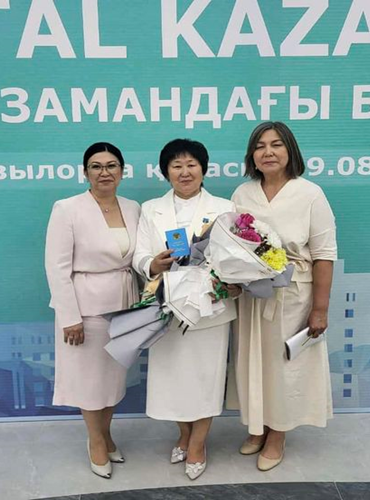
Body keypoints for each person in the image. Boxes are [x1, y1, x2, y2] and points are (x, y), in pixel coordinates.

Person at [231, 121, 337, 471]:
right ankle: (258, 426)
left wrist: (319, 309)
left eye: (276, 144)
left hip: (293, 295)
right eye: (260, 146)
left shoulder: (310, 194)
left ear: (290, 150)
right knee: (255, 363)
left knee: (284, 367)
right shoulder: (242, 194)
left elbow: (324, 255)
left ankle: (278, 433)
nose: (268, 152)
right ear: (252, 155)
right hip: (252, 295)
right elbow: (230, 244)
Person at [133, 139, 239, 480]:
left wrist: (231, 279)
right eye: (176, 165)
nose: (184, 172)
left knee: (205, 379)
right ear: (166, 172)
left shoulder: (224, 207)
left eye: (191, 164)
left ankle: (197, 444)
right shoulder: (151, 208)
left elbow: (236, 256)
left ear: (203, 169)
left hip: (210, 309)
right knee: (174, 381)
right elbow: (139, 255)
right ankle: (183, 433)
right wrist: (154, 263)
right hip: (167, 307)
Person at [45, 142, 140, 479]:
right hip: (85, 308)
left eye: (111, 165)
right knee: (89, 381)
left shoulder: (133, 208)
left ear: (122, 172)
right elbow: (56, 267)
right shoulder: (67, 209)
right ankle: (96, 441)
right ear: (85, 172)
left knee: (113, 379)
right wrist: (69, 317)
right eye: (96, 166)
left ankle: (107, 433)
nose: (104, 172)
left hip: (125, 305)